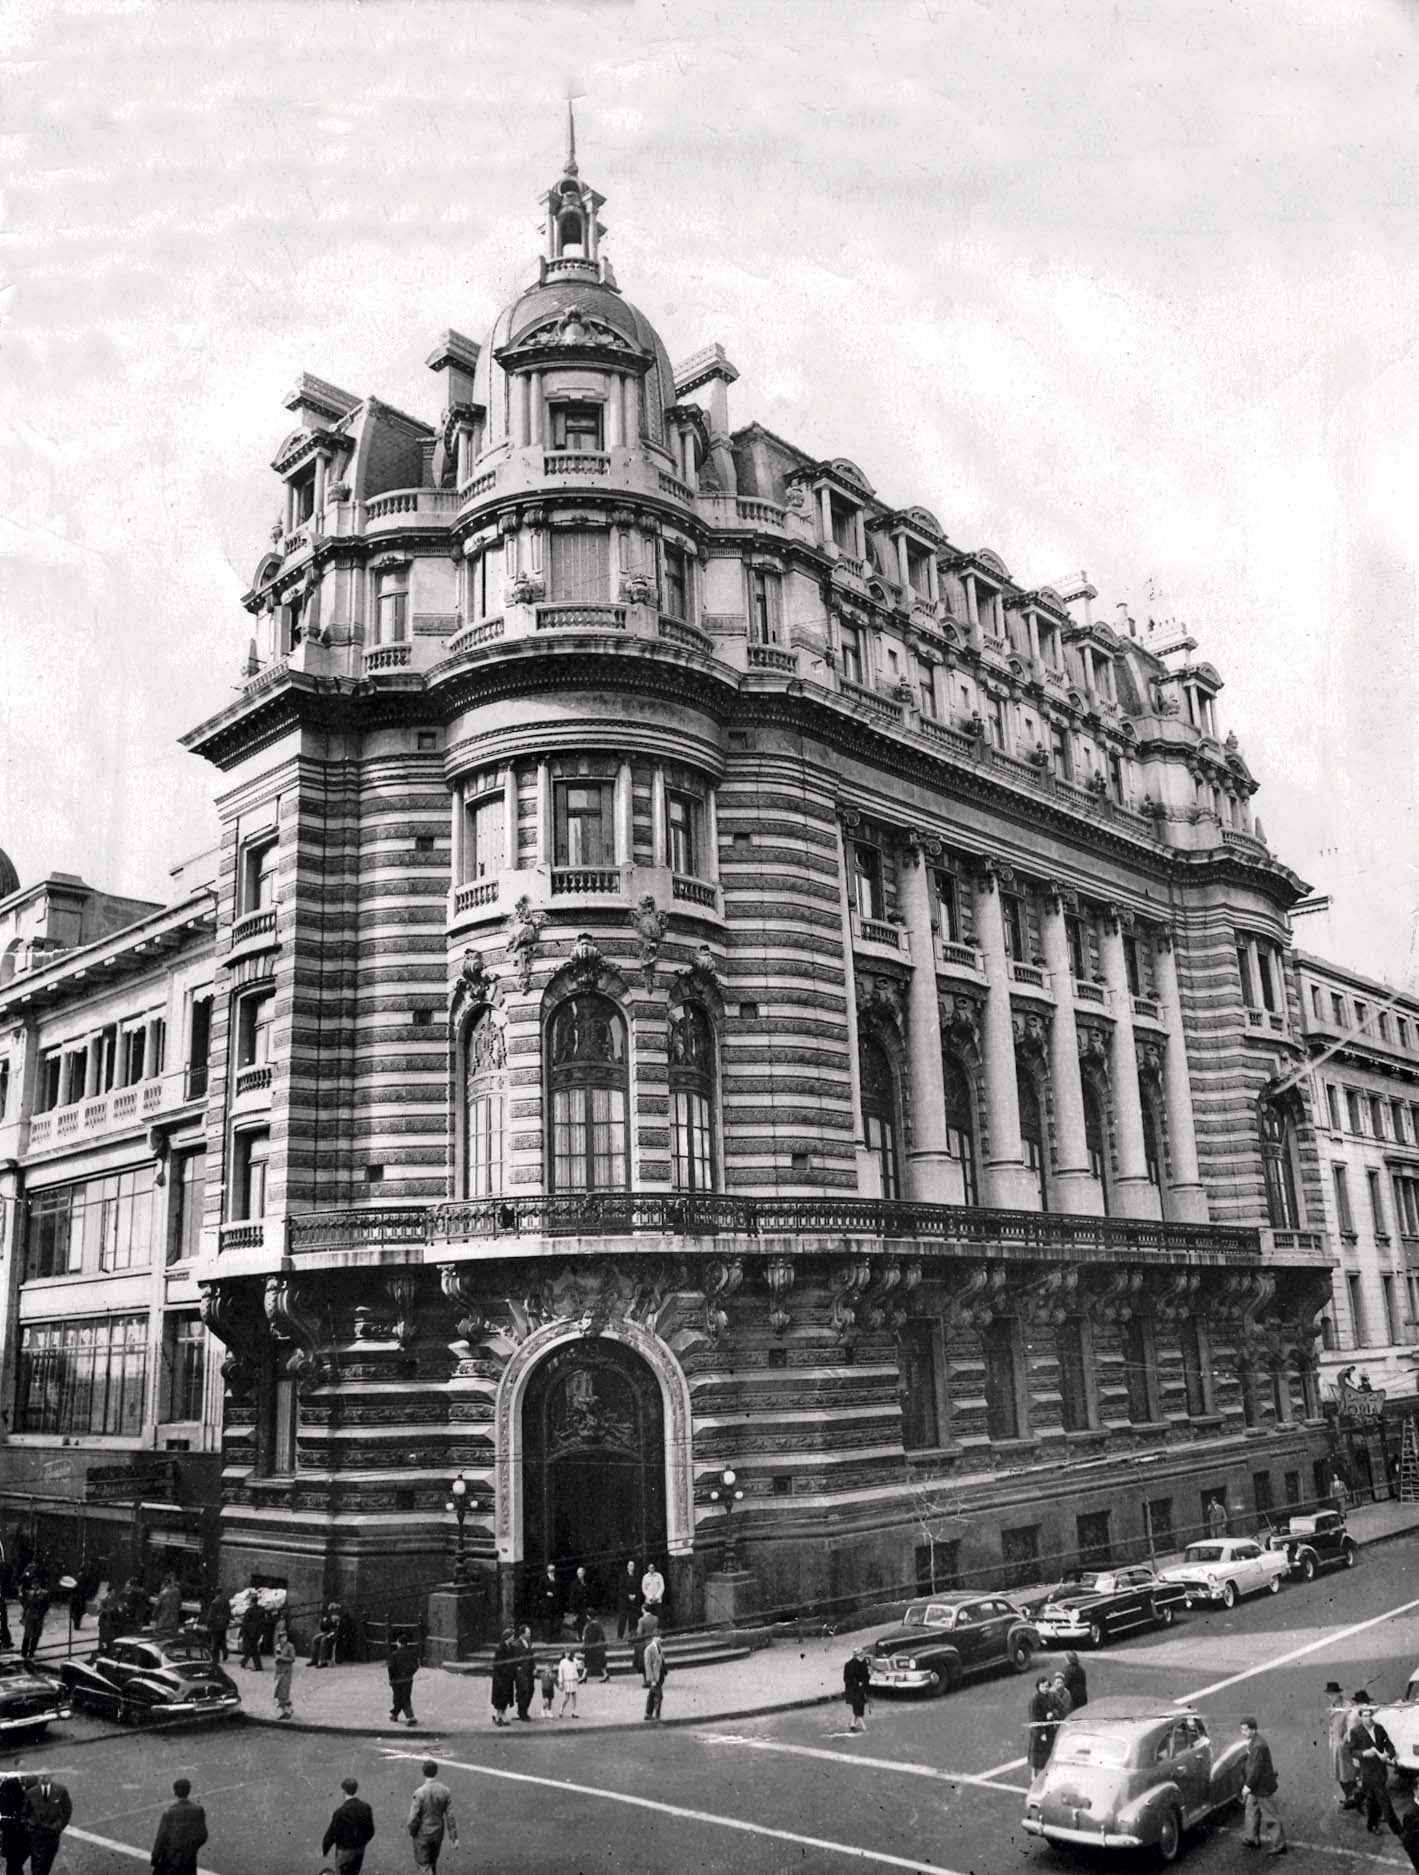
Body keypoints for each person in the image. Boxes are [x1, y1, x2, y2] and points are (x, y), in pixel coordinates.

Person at [1239, 1715, 1286, 1856]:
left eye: (1245, 1730)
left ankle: (1279, 1844)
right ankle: (1251, 1837)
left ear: (1253, 1729)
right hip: (1257, 1787)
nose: (1243, 1732)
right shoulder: (1254, 1741)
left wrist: (1247, 1786)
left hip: (1261, 1787)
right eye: (1241, 1729)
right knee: (1251, 1811)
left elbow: (1256, 1769)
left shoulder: (1258, 1745)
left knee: (1270, 1816)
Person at [1350, 1700, 1398, 1834]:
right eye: (1365, 1715)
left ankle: (1371, 1825)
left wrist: (1388, 1753)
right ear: (1360, 1717)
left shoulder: (1379, 1728)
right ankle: (1399, 1830)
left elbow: (1388, 1744)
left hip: (1381, 1770)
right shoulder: (1356, 1732)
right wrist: (1364, 1753)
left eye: (1370, 1715)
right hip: (1368, 1772)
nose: (1368, 1718)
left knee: (1372, 1801)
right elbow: (1352, 1750)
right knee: (1384, 1801)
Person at [150, 1776, 208, 1875]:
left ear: (175, 1792)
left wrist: (155, 1858)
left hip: (171, 1861)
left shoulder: (170, 1812)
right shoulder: (198, 1810)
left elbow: (161, 1838)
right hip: (189, 1860)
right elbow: (203, 1835)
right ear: (189, 1790)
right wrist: (191, 1848)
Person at [406, 1760, 458, 1871]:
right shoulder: (445, 1791)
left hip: (422, 1833)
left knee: (423, 1865)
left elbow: (413, 1817)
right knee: (433, 1862)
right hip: (438, 1832)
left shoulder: (419, 1792)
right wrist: (454, 1837)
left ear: (423, 1772)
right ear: (436, 1772)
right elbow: (450, 1816)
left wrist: (412, 1831)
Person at [321, 1775, 376, 1875]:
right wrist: (362, 1842)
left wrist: (325, 1849)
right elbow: (371, 1831)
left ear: (344, 1792)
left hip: (345, 1851)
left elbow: (332, 1833)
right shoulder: (366, 1807)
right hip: (360, 1849)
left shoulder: (340, 1812)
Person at [22, 1771, 72, 1875]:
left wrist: (59, 1827)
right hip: (36, 1836)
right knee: (37, 1866)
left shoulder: (60, 1790)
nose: (43, 1777)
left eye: (46, 1775)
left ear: (52, 1776)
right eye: (42, 1775)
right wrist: (30, 1829)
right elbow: (24, 1813)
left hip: (52, 1836)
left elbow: (67, 1810)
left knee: (45, 1864)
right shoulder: (31, 1793)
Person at [1325, 1682, 1358, 1809]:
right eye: (1329, 1694)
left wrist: (1347, 1738)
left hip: (1344, 1747)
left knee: (1349, 1775)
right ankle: (1348, 1797)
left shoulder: (1347, 1706)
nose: (1331, 1696)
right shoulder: (1333, 1706)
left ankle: (1354, 1799)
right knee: (1339, 1775)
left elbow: (1352, 1724)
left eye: (1333, 1694)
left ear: (1339, 1693)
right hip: (1335, 1746)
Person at [0, 1774, 34, 1875]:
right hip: (13, 1831)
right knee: (14, 1864)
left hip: (29, 1831)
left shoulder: (35, 1781)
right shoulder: (8, 1784)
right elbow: (2, 1805)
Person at [387, 1633, 420, 1727]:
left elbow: (391, 1668)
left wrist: (391, 1679)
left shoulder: (395, 1654)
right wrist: (410, 1673)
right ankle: (395, 1715)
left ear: (399, 1642)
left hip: (397, 1680)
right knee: (405, 1697)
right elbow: (416, 1665)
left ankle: (410, 1717)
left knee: (399, 1698)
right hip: (408, 1679)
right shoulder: (412, 1653)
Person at [1027, 1676, 1057, 1773]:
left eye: (1047, 1686)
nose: (1045, 1689)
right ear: (1038, 1687)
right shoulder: (1035, 1699)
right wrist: (1042, 1733)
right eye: (1043, 1687)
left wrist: (1052, 1713)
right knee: (1036, 1756)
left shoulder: (1051, 1696)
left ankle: (1042, 1774)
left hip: (1048, 1729)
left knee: (1045, 1755)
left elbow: (1058, 1707)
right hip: (1038, 1730)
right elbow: (1035, 1717)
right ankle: (1033, 1775)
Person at [490, 1627, 517, 1726]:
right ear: (508, 1637)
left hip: (507, 1678)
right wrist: (507, 1671)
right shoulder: (500, 1649)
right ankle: (498, 1716)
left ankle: (503, 1715)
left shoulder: (511, 1647)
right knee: (500, 1697)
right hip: (500, 1678)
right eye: (512, 1636)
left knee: (506, 1697)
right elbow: (498, 1665)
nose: (513, 1638)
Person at [19, 1577, 48, 1663]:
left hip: (38, 1616)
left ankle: (32, 1652)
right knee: (27, 1635)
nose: (35, 1586)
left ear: (39, 1584)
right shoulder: (29, 1593)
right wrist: (23, 1617)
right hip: (30, 1615)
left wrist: (41, 1613)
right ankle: (24, 1652)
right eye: (34, 1584)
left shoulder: (44, 1593)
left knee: (36, 1634)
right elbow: (25, 1605)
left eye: (37, 1584)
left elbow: (46, 1606)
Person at [843, 1648, 871, 1732]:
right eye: (861, 1654)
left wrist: (867, 1678)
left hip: (861, 1689)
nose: (863, 1655)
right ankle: (864, 1728)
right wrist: (857, 1683)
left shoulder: (863, 1662)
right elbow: (847, 1678)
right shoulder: (849, 1665)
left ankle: (852, 1724)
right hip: (853, 1690)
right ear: (856, 1656)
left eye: (863, 1653)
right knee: (858, 1708)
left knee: (859, 1706)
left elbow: (865, 1675)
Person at [643, 1626, 667, 1721]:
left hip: (660, 1675)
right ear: (654, 1637)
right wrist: (651, 1679)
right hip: (654, 1677)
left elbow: (662, 1659)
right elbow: (648, 1666)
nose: (660, 1639)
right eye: (658, 1637)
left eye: (660, 1637)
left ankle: (648, 1714)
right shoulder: (649, 1649)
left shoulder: (659, 1647)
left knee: (652, 1694)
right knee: (659, 1696)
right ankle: (657, 1715)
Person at [273, 1623, 295, 1720]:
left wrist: (282, 1658)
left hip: (286, 1670)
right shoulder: (277, 1646)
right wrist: (277, 1659)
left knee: (284, 1691)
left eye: (285, 1637)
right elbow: (277, 1657)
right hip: (279, 1670)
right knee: (278, 1691)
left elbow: (292, 1659)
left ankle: (286, 1711)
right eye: (282, 1637)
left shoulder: (290, 1646)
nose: (284, 1639)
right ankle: (287, 1709)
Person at [310, 1602, 342, 1668]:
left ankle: (323, 1661)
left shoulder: (338, 1615)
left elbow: (336, 1627)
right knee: (315, 1639)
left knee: (324, 1640)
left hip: (335, 1633)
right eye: (330, 1608)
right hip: (327, 1632)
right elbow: (324, 1628)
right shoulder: (328, 1615)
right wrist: (323, 1622)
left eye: (332, 1607)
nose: (330, 1609)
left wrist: (328, 1621)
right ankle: (314, 1660)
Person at [205, 1586, 231, 1665]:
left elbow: (211, 1616)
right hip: (224, 1624)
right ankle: (225, 1652)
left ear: (215, 1593)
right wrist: (227, 1622)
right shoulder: (226, 1600)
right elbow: (228, 1612)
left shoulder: (214, 1602)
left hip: (216, 1625)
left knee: (215, 1643)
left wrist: (208, 1624)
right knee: (222, 1640)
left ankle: (215, 1659)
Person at [238, 1594, 264, 1670]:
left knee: (251, 1649)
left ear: (252, 1602)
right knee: (252, 1648)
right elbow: (263, 1621)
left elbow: (244, 1623)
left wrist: (241, 1633)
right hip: (257, 1633)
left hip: (249, 1633)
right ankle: (244, 1662)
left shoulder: (249, 1610)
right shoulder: (261, 1609)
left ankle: (257, 1666)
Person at [152, 1571, 183, 1637]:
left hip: (163, 1622)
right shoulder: (177, 1591)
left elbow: (157, 1606)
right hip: (174, 1621)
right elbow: (180, 1605)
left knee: (161, 1638)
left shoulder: (163, 1593)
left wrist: (153, 1618)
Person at [617, 1559, 641, 1639]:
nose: (631, 1567)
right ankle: (620, 1635)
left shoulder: (636, 1576)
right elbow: (621, 1588)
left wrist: (635, 1596)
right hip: (624, 1600)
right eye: (630, 1565)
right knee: (623, 1618)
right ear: (627, 1566)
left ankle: (632, 1634)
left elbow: (638, 1588)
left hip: (633, 1601)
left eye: (633, 1565)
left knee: (633, 1618)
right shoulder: (623, 1576)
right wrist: (628, 1595)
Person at [582, 1613, 609, 1682]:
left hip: (592, 1647)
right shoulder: (596, 1624)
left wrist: (584, 1644)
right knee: (599, 1662)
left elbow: (588, 1637)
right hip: (597, 1647)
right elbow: (602, 1635)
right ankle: (605, 1675)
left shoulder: (591, 1625)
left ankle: (584, 1676)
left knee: (587, 1662)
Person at [557, 1647, 583, 1717]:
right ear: (564, 1653)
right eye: (566, 1653)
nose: (567, 1654)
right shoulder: (562, 1662)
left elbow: (580, 1665)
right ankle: (561, 1709)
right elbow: (560, 1673)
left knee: (574, 1697)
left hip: (573, 1680)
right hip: (567, 1681)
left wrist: (581, 1663)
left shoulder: (574, 1660)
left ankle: (574, 1712)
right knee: (566, 1698)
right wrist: (560, 1683)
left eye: (568, 1653)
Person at [96, 1588, 123, 1653]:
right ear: (109, 1592)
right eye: (113, 1591)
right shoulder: (104, 1600)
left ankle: (109, 1650)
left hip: (112, 1623)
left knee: (110, 1638)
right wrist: (107, 1610)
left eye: (114, 1591)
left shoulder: (115, 1601)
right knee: (103, 1638)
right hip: (104, 1622)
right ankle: (102, 1649)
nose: (114, 1593)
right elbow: (99, 1611)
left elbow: (117, 1610)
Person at [568, 1565, 591, 1639]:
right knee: (579, 1622)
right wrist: (572, 1608)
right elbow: (572, 1596)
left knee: (585, 1621)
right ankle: (579, 1636)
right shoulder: (574, 1583)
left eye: (581, 1573)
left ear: (584, 1573)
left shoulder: (586, 1582)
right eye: (578, 1573)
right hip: (577, 1606)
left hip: (585, 1605)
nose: (579, 1575)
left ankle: (583, 1635)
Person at [641, 1561, 666, 1625]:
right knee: (650, 1618)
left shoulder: (659, 1575)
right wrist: (650, 1597)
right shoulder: (645, 1577)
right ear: (648, 1568)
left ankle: (659, 1633)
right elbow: (644, 1589)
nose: (651, 1569)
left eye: (652, 1567)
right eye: (650, 1567)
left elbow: (662, 1587)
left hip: (658, 1601)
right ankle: (651, 1633)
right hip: (649, 1601)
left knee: (659, 1617)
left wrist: (657, 1597)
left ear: (654, 1568)